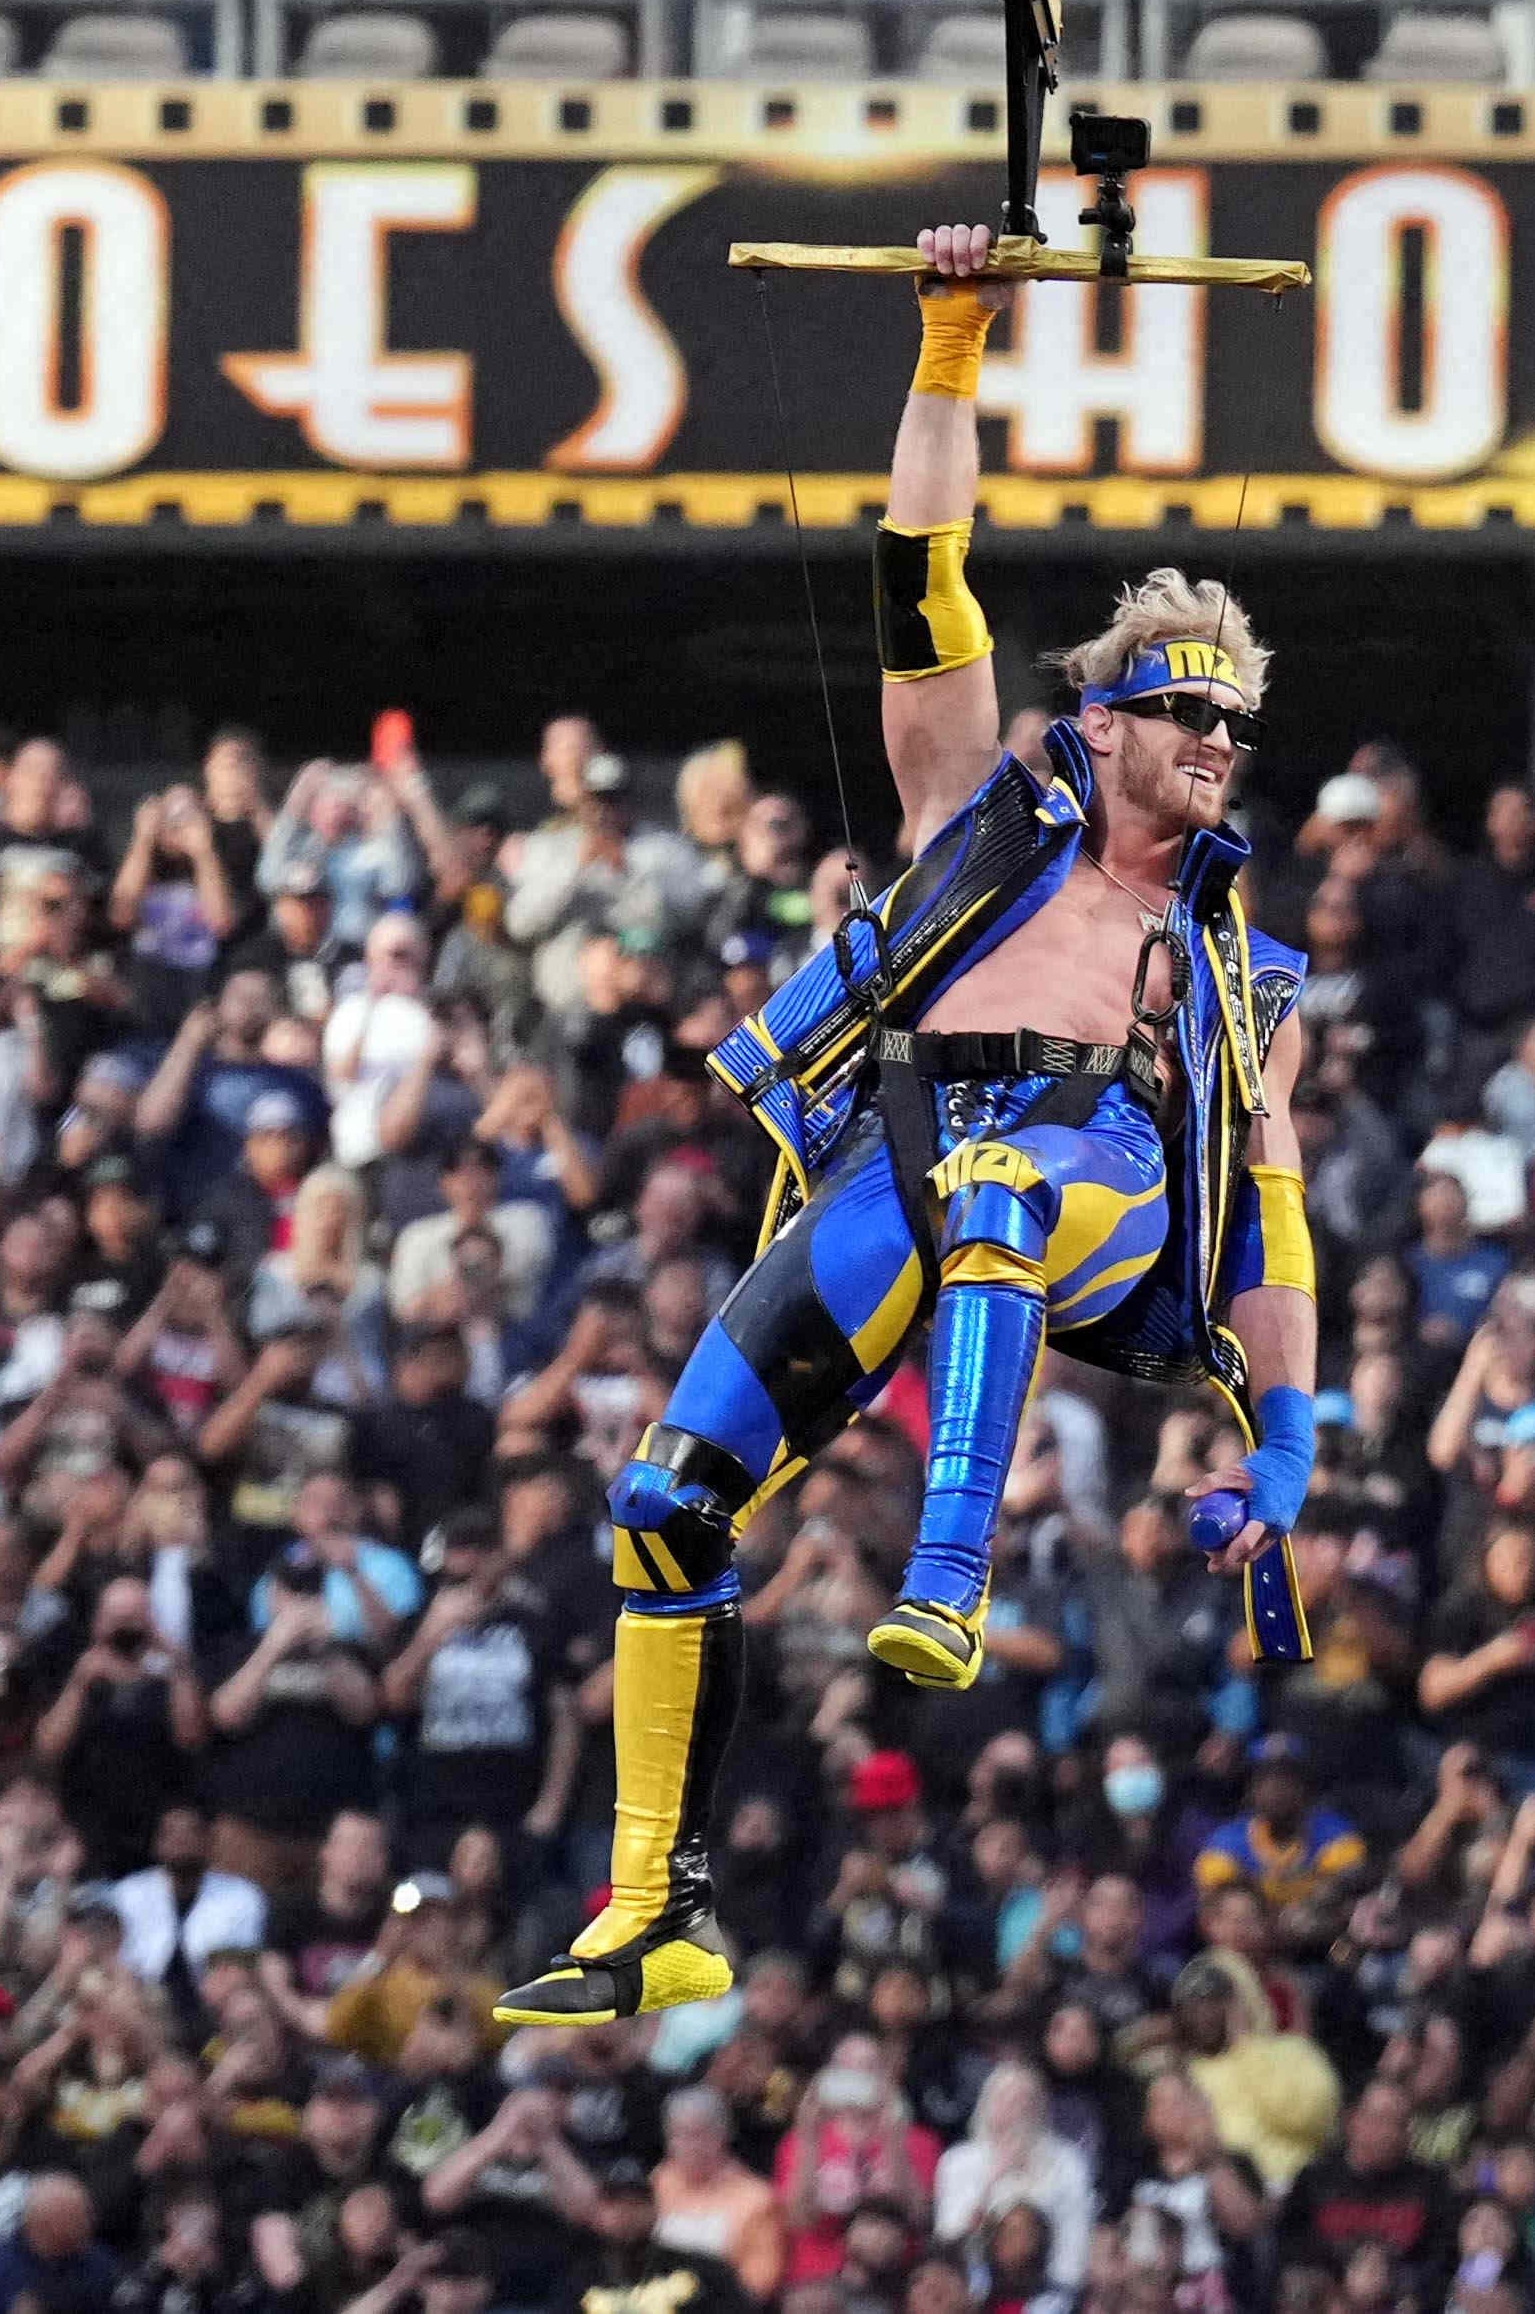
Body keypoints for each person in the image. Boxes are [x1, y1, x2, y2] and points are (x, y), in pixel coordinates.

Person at [499, 219, 1328, 2030]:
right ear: (1094, 720)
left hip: (1084, 1177)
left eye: (1235, 717)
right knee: (662, 1503)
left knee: (1006, 1186)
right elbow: (920, 568)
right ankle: (658, 1899)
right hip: (904, 1156)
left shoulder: (1213, 947)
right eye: (1182, 705)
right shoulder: (973, 810)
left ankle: (947, 1569)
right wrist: (950, 342)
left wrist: (1285, 1438)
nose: (1215, 736)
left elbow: (1263, 1199)